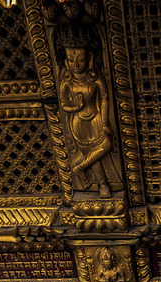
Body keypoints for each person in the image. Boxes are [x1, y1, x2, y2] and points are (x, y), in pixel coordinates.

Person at [59, 39, 121, 197]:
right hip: (78, 123)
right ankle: (103, 185)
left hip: (96, 119)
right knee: (90, 153)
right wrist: (76, 107)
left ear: (90, 58)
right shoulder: (66, 82)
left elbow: (105, 97)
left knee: (106, 145)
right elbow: (64, 104)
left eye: (80, 60)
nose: (76, 64)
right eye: (71, 60)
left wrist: (105, 121)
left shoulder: (95, 78)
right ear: (66, 61)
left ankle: (79, 168)